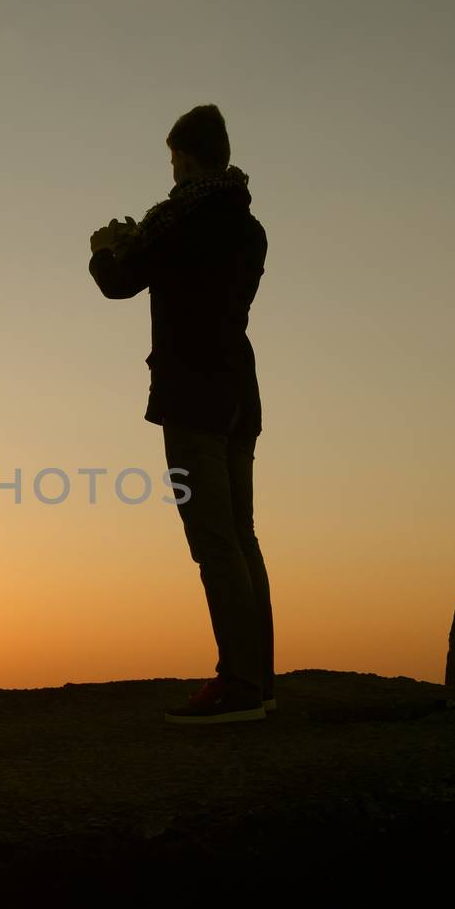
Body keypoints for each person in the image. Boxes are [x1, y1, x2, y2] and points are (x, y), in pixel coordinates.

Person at [87, 104, 274, 725]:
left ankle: (240, 685)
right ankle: (257, 677)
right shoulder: (249, 228)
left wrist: (107, 248)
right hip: (238, 393)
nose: (170, 174)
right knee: (240, 536)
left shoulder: (179, 223)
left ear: (188, 159)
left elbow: (119, 282)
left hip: (192, 396)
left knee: (213, 542)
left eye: (172, 160)